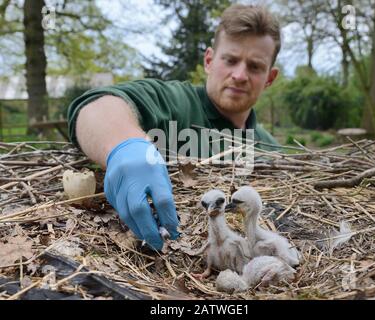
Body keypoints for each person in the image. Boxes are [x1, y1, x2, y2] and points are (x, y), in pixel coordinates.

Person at [67, 4, 281, 251]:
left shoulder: (271, 149)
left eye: (255, 66)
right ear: (209, 61)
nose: (240, 75)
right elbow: (95, 105)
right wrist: (125, 146)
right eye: (230, 60)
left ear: (270, 78)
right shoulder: (175, 102)